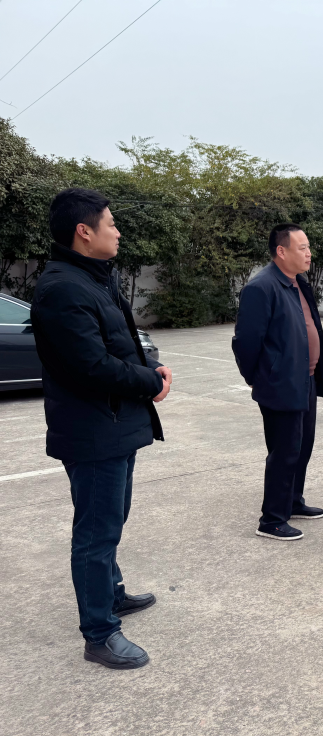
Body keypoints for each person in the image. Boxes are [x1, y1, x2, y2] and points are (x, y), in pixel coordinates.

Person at [31, 188, 172, 670]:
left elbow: (120, 343)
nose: (118, 232)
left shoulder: (93, 278)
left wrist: (149, 367)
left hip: (113, 423)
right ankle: (99, 634)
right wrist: (150, 382)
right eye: (111, 223)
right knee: (96, 532)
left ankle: (110, 594)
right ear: (83, 232)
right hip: (92, 431)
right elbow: (89, 366)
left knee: (112, 519)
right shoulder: (63, 289)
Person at [232, 223, 323, 541]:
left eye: (308, 247)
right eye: (302, 247)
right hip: (281, 383)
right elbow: (245, 342)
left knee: (303, 447)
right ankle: (272, 520)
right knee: (284, 450)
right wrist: (257, 378)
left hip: (306, 378)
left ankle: (292, 501)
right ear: (281, 251)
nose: (309, 253)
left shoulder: (297, 282)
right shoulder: (262, 287)